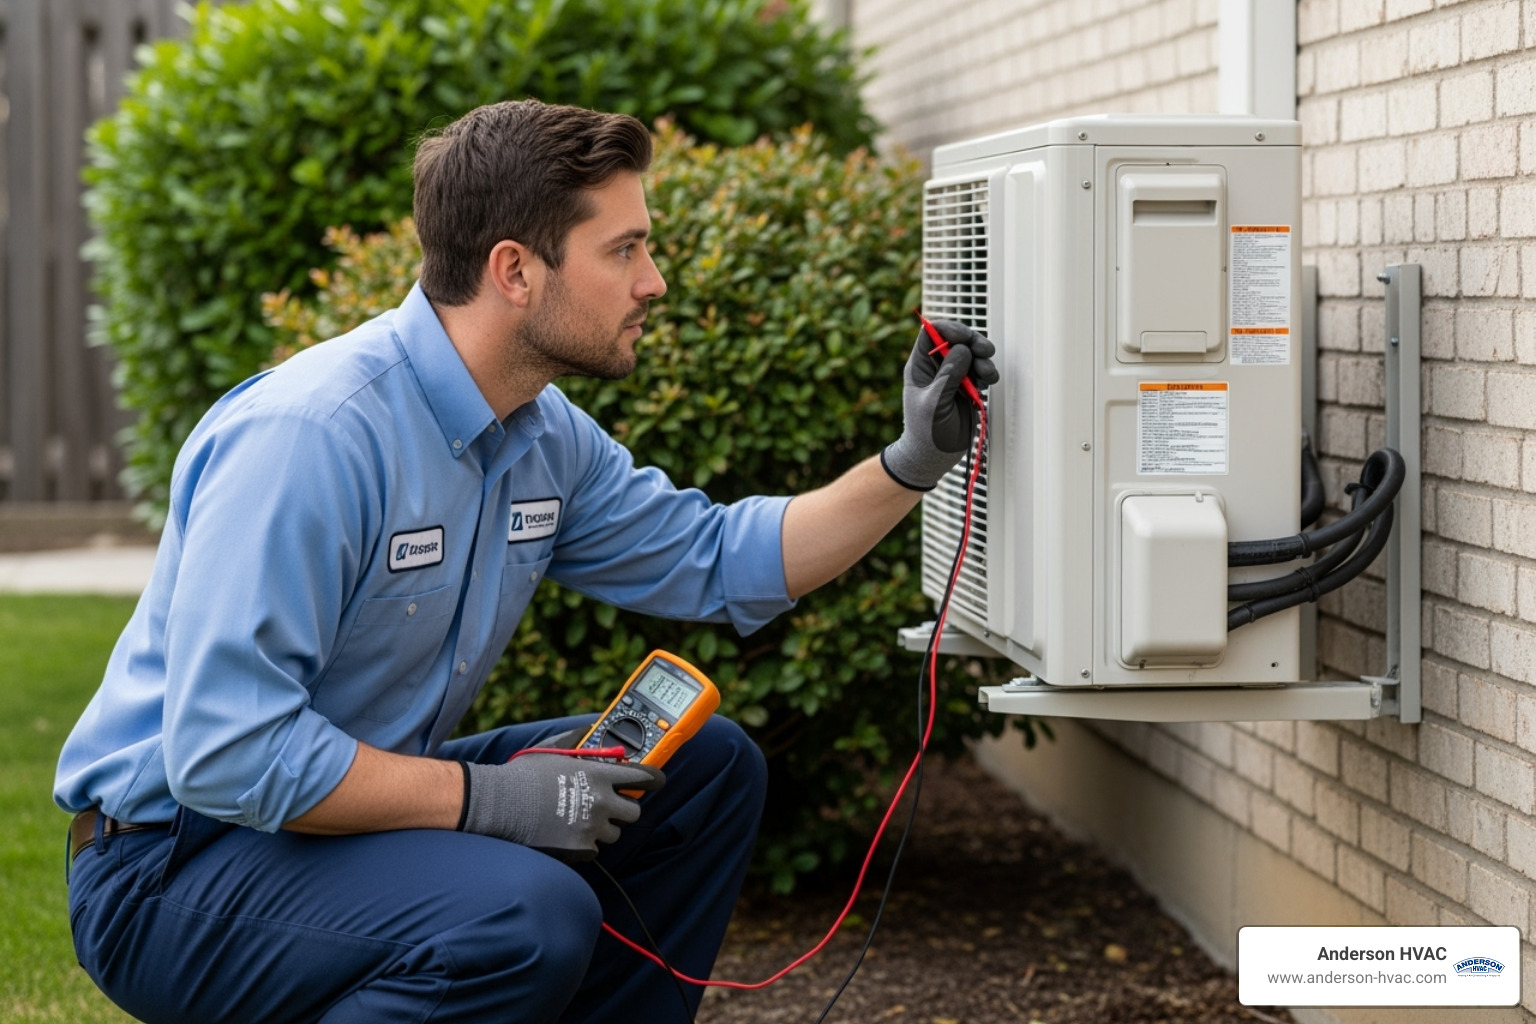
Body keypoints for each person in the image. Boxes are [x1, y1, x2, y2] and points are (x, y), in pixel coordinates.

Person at [55, 98, 996, 1024]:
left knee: (705, 770)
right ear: (515, 270)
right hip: (171, 863)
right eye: (623, 249)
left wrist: (910, 463)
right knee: (521, 915)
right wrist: (490, 800)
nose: (654, 280)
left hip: (333, 820)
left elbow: (720, 558)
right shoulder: (313, 436)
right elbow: (230, 753)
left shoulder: (544, 437)